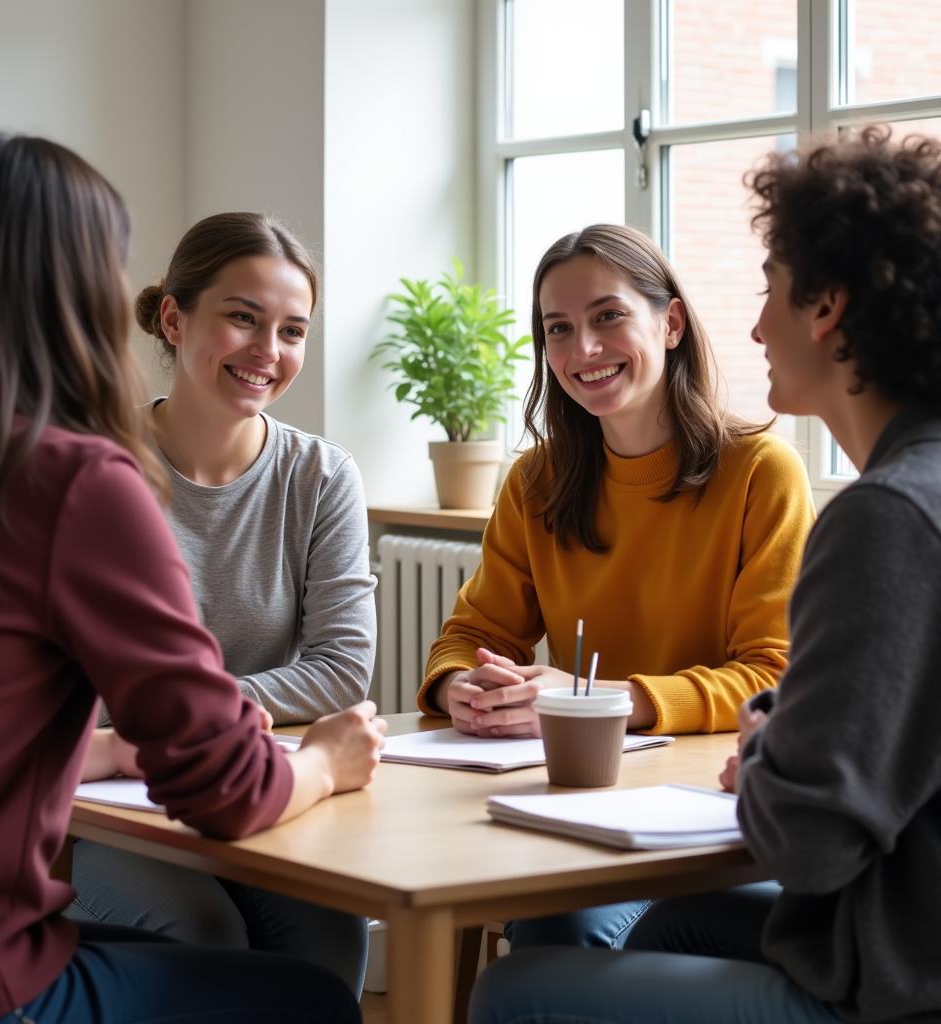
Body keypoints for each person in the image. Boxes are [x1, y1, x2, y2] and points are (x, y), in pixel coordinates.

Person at [469, 124, 941, 1023]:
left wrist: (764, 738)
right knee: (671, 928)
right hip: (895, 926)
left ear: (829, 306)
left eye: (771, 290)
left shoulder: (887, 515)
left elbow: (809, 838)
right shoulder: (915, 491)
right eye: (558, 328)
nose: (758, 324)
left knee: (514, 993)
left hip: (901, 978)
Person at [0, 132, 384, 1024]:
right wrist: (323, 759)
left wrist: (115, 742)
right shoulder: (78, 480)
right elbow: (229, 791)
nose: (268, 350)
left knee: (304, 945)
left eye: (293, 330)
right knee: (310, 1002)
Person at [415, 222, 815, 952]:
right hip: (575, 802)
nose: (582, 351)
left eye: (607, 318)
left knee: (558, 938)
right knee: (549, 923)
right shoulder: (535, 481)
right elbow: (469, 638)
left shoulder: (761, 470)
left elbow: (772, 677)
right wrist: (463, 690)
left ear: (670, 322)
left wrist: (597, 701)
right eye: (558, 329)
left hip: (707, 814)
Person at [68, 212, 376, 992]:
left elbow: (343, 668)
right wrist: (196, 728)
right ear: (174, 317)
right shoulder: (97, 474)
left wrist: (199, 719)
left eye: (292, 330)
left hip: (269, 780)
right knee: (202, 931)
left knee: (329, 935)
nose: (268, 353)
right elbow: (75, 691)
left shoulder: (321, 477)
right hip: (115, 800)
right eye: (243, 317)